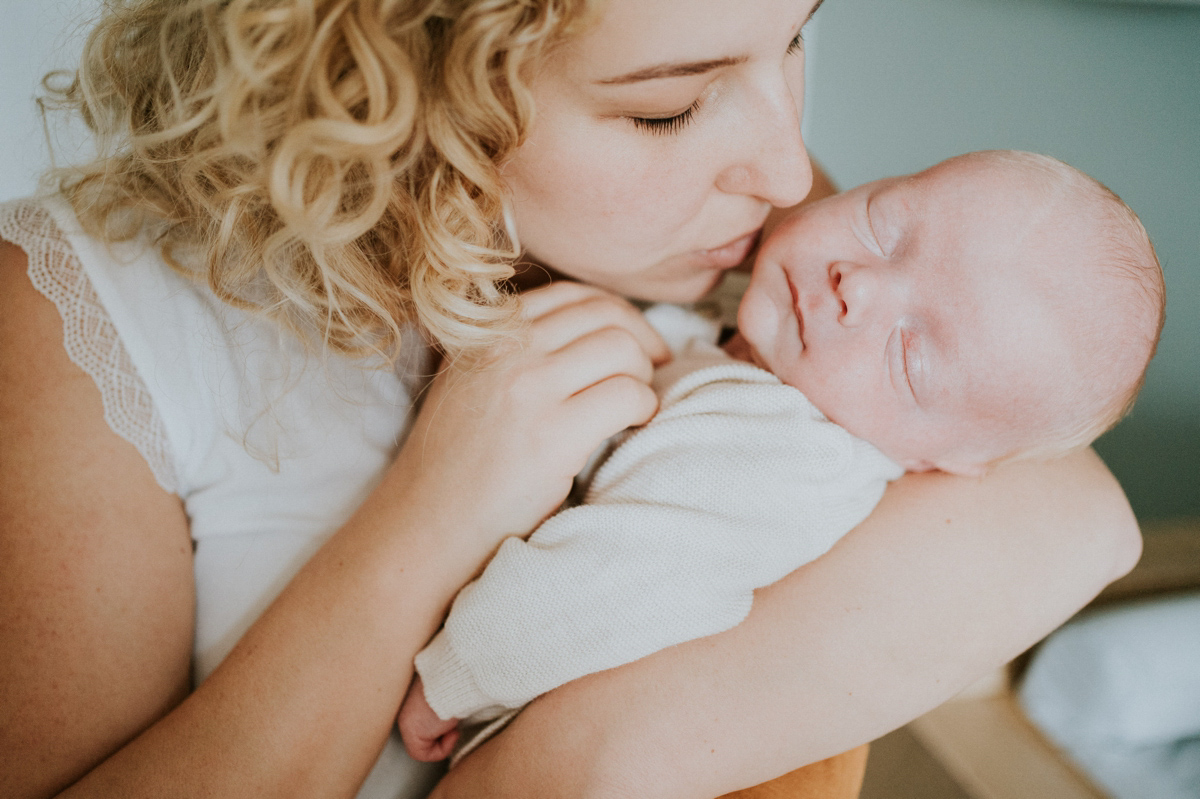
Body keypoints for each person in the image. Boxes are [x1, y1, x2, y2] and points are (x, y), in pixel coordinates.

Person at [0, 1, 1143, 797]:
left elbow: (1077, 512)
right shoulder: (73, 322)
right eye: (666, 108)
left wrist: (575, 760)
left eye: (796, 37)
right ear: (394, 72)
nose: (792, 170)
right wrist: (433, 515)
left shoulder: (769, 250)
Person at [397, 149, 1164, 762]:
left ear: (942, 460)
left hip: (493, 682)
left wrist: (457, 675)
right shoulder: (764, 335)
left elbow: (615, 582)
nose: (855, 284)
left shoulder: (788, 465)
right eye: (883, 223)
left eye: (911, 356)